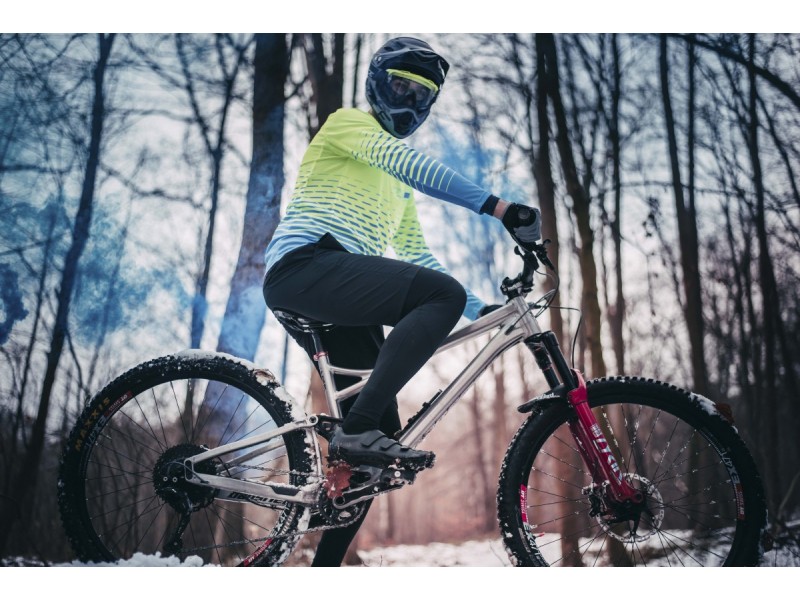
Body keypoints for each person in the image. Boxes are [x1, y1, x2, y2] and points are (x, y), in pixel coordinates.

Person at [262, 36, 541, 566]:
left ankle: (325, 567)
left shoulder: (398, 189)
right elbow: (406, 162)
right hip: (305, 266)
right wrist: (500, 208)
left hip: (341, 295)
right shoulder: (348, 124)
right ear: (376, 86)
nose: (410, 103)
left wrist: (479, 309)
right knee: (368, 420)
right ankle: (355, 432)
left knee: (374, 452)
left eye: (422, 96)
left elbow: (417, 255)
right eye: (401, 88)